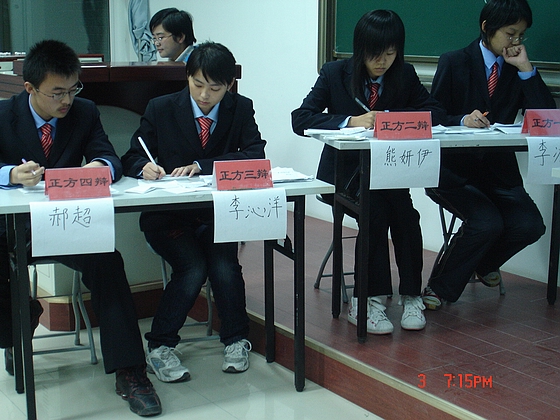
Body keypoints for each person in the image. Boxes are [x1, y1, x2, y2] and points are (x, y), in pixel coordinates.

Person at [0, 40, 161, 417]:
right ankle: (17, 328)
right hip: (12, 228)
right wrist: (10, 174)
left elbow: (110, 158)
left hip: (64, 225)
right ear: (30, 88)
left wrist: (99, 166)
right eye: (57, 92)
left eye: (73, 89)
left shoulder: (84, 111)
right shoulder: (3, 115)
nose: (67, 100)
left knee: (108, 263)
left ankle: (130, 372)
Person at [292, 10, 446, 334]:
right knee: (375, 215)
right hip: (346, 177)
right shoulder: (335, 73)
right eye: (375, 54)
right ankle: (367, 300)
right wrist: (350, 121)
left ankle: (411, 295)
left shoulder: (404, 74)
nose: (382, 62)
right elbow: (301, 118)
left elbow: (435, 111)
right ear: (360, 48)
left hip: (390, 174)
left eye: (390, 53)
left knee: (407, 217)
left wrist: (395, 119)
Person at [121, 41, 266, 383]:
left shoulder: (240, 108)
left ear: (229, 85)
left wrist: (203, 165)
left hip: (217, 214)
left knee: (224, 267)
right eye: (197, 84)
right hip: (168, 216)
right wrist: (143, 167)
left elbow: (255, 156)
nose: (204, 95)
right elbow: (132, 156)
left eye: (214, 88)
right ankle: (160, 346)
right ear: (187, 76)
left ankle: (236, 340)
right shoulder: (161, 108)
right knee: (193, 267)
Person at [423, 0, 556, 310]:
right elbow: (432, 114)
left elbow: (548, 118)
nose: (516, 41)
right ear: (487, 28)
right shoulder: (454, 62)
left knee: (530, 225)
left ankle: (483, 264)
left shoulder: (515, 68)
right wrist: (461, 120)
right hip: (453, 173)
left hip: (499, 173)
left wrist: (525, 68)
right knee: (487, 223)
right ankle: (440, 288)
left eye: (521, 35)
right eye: (510, 34)